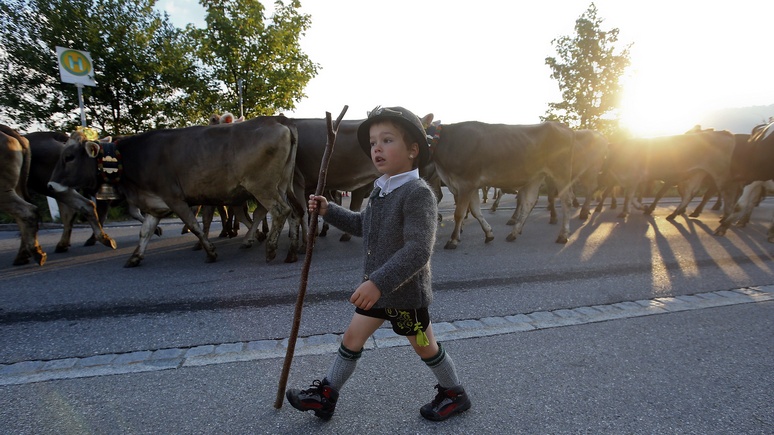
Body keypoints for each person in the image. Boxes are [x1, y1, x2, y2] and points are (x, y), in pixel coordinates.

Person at [285, 106, 471, 421]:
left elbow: (418, 250)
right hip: (379, 292)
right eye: (373, 142)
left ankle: (455, 393)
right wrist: (329, 211)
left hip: (405, 297)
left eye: (387, 140)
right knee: (352, 338)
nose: (377, 148)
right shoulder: (381, 190)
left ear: (413, 150)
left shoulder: (417, 194)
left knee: (425, 347)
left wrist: (377, 283)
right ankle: (326, 396)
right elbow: (363, 226)